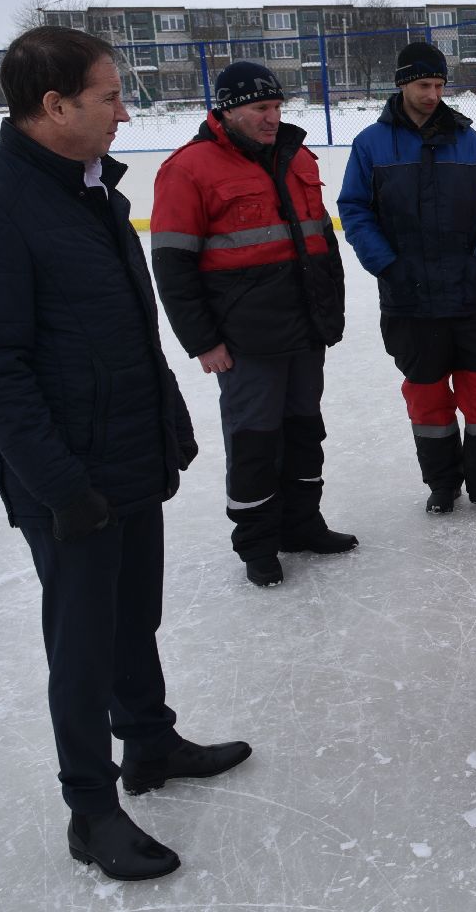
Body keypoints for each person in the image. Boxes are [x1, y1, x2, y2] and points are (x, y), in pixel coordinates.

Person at [0, 26, 251, 882]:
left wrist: (168, 420)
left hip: (126, 452)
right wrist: (60, 485)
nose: (124, 109)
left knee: (132, 618)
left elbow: (128, 333)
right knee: (80, 649)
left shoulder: (95, 194)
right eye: (110, 95)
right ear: (55, 105)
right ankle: (91, 806)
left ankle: (148, 743)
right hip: (64, 476)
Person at [152, 61, 354, 587]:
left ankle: (302, 525)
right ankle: (258, 546)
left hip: (305, 332)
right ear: (227, 109)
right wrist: (203, 341)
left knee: (306, 433)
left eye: (276, 107)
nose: (271, 118)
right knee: (255, 443)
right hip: (246, 343)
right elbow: (172, 268)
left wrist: (330, 314)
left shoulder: (298, 157)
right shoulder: (189, 169)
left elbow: (322, 245)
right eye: (259, 108)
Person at [338, 42, 476, 514]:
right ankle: (442, 484)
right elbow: (354, 209)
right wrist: (386, 265)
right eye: (424, 85)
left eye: (439, 85)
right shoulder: (370, 145)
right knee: (427, 398)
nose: (434, 94)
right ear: (402, 85)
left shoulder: (468, 141)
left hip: (471, 294)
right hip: (407, 299)